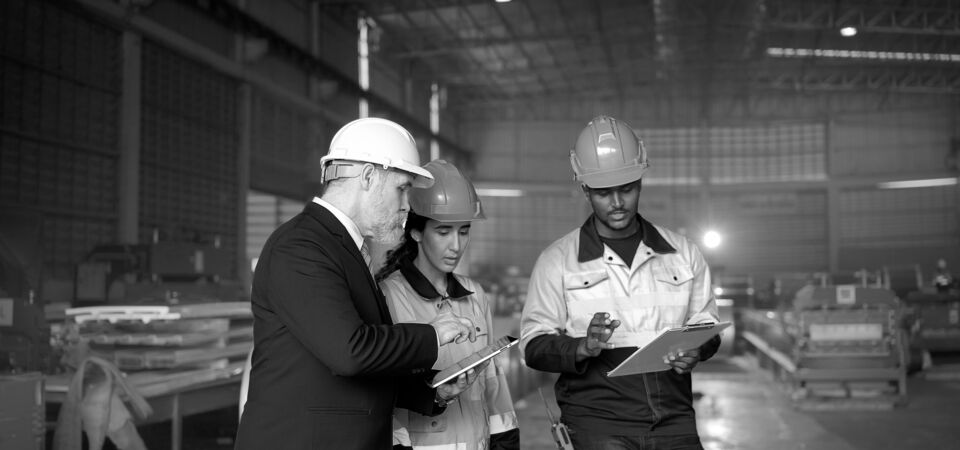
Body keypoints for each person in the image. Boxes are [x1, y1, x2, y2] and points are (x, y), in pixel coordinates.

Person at [235, 118, 480, 450]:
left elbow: (365, 367)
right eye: (402, 188)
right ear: (367, 177)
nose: (407, 205)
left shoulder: (346, 249)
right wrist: (433, 334)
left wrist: (433, 391)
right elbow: (350, 352)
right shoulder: (300, 247)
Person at [520, 115, 721, 450]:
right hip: (597, 426)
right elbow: (533, 346)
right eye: (603, 193)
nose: (617, 202)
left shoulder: (683, 253)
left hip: (674, 422)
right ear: (585, 189)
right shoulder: (557, 261)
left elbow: (707, 325)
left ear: (640, 181)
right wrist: (582, 347)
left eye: (626, 189)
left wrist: (696, 349)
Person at [376, 160, 520, 450]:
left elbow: (493, 385)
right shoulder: (387, 297)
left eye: (463, 231)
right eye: (443, 232)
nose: (456, 245)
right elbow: (383, 396)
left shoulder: (475, 295)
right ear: (416, 232)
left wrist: (506, 443)